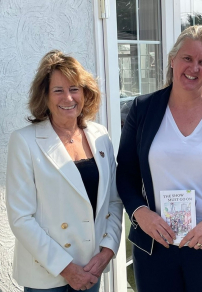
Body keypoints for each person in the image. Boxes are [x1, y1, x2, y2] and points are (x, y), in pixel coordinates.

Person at [116, 25, 202, 292]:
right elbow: (125, 173)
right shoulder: (142, 109)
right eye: (187, 58)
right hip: (156, 242)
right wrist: (140, 213)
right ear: (172, 60)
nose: (194, 68)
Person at [6, 50, 123, 292]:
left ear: (85, 92)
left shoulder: (100, 136)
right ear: (45, 96)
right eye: (58, 90)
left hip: (91, 267)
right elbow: (21, 218)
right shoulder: (24, 141)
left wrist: (108, 251)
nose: (68, 97)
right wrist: (67, 269)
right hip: (47, 274)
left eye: (75, 88)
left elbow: (114, 201)